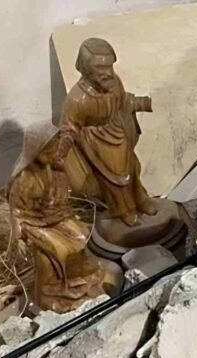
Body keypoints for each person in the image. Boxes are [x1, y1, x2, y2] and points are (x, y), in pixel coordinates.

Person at [59, 38, 157, 226]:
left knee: (132, 168)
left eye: (110, 66)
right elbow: (69, 127)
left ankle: (141, 198)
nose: (108, 73)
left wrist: (140, 103)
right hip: (96, 142)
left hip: (118, 133)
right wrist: (61, 153)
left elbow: (122, 101)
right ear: (86, 68)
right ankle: (124, 210)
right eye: (100, 68)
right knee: (113, 179)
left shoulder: (114, 83)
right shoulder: (77, 98)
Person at [9, 125, 105, 312]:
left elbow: (62, 203)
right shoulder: (25, 179)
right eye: (49, 150)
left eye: (55, 148)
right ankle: (56, 287)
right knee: (60, 248)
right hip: (34, 223)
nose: (55, 153)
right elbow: (17, 210)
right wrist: (19, 230)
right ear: (35, 151)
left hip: (58, 219)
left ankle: (77, 275)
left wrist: (70, 217)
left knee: (82, 235)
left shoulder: (58, 172)